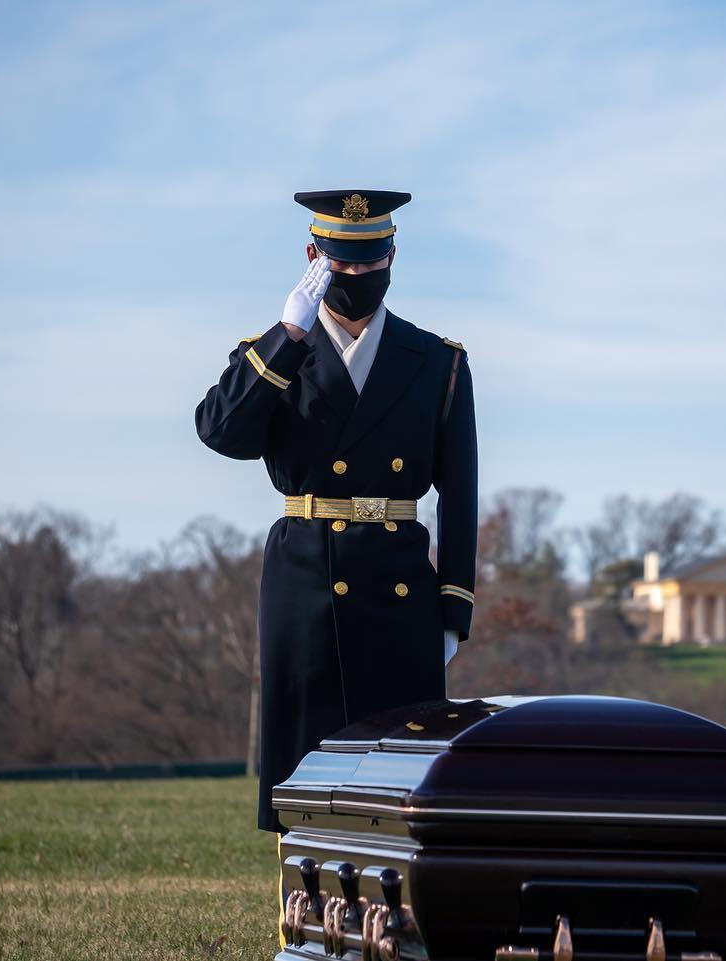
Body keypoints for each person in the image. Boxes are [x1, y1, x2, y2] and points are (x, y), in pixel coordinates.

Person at [193, 189, 478, 846]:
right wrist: (286, 335)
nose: (357, 277)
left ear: (393, 255)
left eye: (371, 261)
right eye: (343, 263)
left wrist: (453, 609)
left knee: (400, 782)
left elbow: (460, 494)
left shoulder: (437, 361)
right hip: (305, 582)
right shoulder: (274, 353)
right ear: (314, 256)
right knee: (303, 773)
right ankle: (304, 924)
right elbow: (219, 431)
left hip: (398, 589)